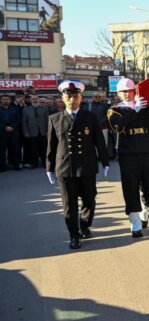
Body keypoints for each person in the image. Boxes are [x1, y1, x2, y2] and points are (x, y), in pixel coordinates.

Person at [45, 81, 110, 249]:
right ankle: (73, 235)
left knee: (89, 199)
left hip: (86, 166)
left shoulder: (90, 117)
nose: (72, 100)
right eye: (68, 97)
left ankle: (85, 225)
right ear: (63, 98)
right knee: (69, 204)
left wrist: (105, 162)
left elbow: (99, 141)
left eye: (75, 96)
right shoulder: (55, 119)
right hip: (65, 167)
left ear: (81, 98)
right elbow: (51, 146)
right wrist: (49, 168)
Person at [108, 78, 149, 237]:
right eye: (123, 91)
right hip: (127, 153)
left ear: (134, 91)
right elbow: (118, 126)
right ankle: (134, 220)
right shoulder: (115, 110)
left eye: (129, 90)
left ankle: (147, 205)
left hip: (147, 150)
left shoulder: (145, 108)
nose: (126, 94)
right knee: (130, 186)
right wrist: (135, 109)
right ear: (118, 93)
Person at [22, 95, 49, 168]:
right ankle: (34, 163)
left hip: (43, 132)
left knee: (44, 149)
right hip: (32, 132)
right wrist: (26, 132)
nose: (35, 100)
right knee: (34, 149)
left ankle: (45, 163)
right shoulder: (26, 109)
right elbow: (24, 122)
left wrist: (47, 131)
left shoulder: (44, 109)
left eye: (36, 99)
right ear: (30, 100)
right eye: (33, 99)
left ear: (38, 100)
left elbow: (47, 121)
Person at [1, 94, 22, 172]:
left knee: (15, 149)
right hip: (2, 133)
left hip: (14, 133)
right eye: (3, 99)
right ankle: (2, 166)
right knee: (2, 151)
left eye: (7, 99)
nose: (5, 100)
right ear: (1, 100)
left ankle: (16, 165)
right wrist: (5, 127)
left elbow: (19, 120)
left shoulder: (15, 109)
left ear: (10, 100)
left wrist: (12, 127)